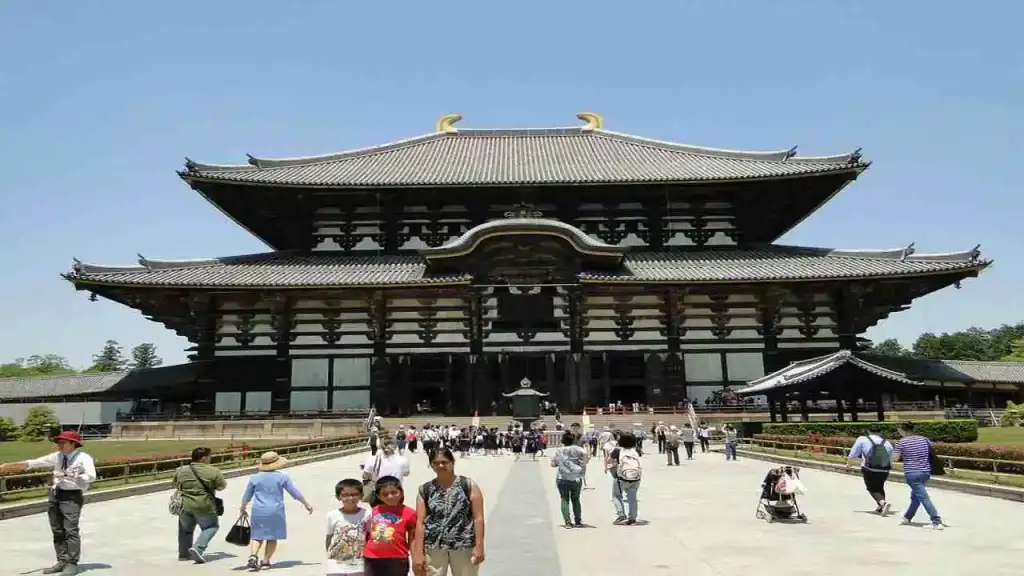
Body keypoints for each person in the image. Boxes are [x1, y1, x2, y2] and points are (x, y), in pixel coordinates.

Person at [0, 431, 96, 576]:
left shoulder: (83, 458)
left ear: (72, 444)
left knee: (71, 530)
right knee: (57, 530)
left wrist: (70, 474)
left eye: (62, 442)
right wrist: (11, 466)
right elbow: (35, 462)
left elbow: (91, 476)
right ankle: (62, 560)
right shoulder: (57, 456)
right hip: (55, 494)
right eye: (58, 442)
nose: (59, 445)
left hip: (71, 496)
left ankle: (71, 563)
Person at [412, 448, 485, 576]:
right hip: (434, 546)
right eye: (436, 463)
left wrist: (479, 546)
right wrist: (419, 553)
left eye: (444, 462)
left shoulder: (468, 485)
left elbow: (478, 518)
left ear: (452, 462)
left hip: (463, 545)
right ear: (431, 465)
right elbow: (420, 523)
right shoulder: (425, 490)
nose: (440, 465)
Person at [240, 451, 314, 570]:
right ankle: (265, 561)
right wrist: (306, 503)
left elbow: (247, 495)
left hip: (258, 510)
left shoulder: (254, 477)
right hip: (275, 510)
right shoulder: (282, 476)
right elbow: (294, 492)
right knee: (272, 536)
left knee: (257, 535)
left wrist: (242, 508)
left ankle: (253, 556)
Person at [173, 446, 227, 563]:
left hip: (184, 504)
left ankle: (183, 554)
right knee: (211, 526)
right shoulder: (213, 471)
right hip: (204, 504)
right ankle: (198, 548)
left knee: (185, 529)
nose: (210, 459)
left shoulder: (180, 470)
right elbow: (221, 486)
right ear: (203, 458)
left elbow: (175, 484)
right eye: (209, 456)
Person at [893, 421, 944, 529]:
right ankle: (907, 517)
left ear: (902, 430)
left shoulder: (901, 442)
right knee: (916, 496)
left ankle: (936, 521)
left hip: (912, 472)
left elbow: (895, 458)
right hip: (925, 472)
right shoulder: (925, 440)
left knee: (923, 497)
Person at [364, 476, 418, 576]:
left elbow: (413, 538)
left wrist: (416, 558)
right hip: (372, 557)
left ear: (401, 492)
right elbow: (367, 532)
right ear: (378, 496)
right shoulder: (374, 510)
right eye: (385, 494)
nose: (390, 496)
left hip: (397, 558)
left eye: (394, 492)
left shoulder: (410, 513)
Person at [845, 424, 894, 515]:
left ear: (869, 431)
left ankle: (883, 502)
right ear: (880, 432)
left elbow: (853, 453)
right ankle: (880, 507)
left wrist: (849, 463)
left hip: (869, 468)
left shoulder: (862, 439)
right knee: (879, 487)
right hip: (884, 470)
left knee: (871, 488)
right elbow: (891, 457)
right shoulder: (887, 442)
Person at [325, 478, 370, 576]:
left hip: (359, 562)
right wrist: (329, 558)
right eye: (345, 495)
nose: (350, 498)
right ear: (338, 497)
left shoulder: (368, 514)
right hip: (337, 563)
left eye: (354, 494)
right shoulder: (332, 515)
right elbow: (329, 537)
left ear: (361, 496)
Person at [550, 431, 589, 528]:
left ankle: (567, 522)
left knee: (564, 499)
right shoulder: (580, 449)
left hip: (562, 477)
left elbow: (553, 464)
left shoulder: (559, 450)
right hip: (576, 477)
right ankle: (578, 521)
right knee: (576, 499)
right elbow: (585, 460)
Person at [605, 432, 641, 525]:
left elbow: (609, 460)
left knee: (616, 496)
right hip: (635, 477)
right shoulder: (636, 450)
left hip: (622, 477)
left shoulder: (618, 450)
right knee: (632, 498)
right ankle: (632, 518)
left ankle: (621, 515)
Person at [362, 439, 410, 504]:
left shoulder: (372, 459)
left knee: (378, 512)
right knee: (396, 512)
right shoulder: (403, 460)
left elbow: (365, 476)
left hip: (378, 493)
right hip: (396, 492)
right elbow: (406, 473)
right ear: (395, 447)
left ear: (381, 446)